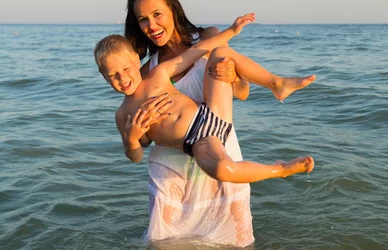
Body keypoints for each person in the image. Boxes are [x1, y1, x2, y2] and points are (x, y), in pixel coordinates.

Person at [94, 14, 314, 192]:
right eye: (113, 75)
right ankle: (280, 169)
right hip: (199, 142)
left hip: (211, 111)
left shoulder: (158, 74)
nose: (122, 79)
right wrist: (132, 139)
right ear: (104, 77)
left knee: (220, 52)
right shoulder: (123, 115)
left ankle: (276, 83)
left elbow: (196, 50)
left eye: (125, 69)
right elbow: (136, 155)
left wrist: (232, 31)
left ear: (135, 60)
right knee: (222, 169)